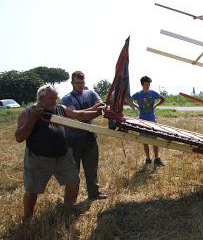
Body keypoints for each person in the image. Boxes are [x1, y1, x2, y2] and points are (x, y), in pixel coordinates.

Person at [15, 84, 104, 219]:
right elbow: (19, 137)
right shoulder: (28, 112)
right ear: (41, 98)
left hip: (63, 155)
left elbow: (78, 115)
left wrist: (98, 112)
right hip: (39, 158)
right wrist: (33, 118)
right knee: (32, 189)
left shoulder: (59, 109)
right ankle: (27, 218)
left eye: (55, 98)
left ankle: (68, 209)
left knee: (73, 181)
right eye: (51, 98)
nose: (54, 102)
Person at [61, 71, 107, 200]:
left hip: (89, 137)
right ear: (72, 83)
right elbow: (75, 116)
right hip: (73, 139)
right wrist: (93, 109)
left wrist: (82, 113)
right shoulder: (67, 99)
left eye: (82, 82)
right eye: (77, 82)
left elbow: (102, 106)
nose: (80, 85)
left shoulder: (91, 93)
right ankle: (71, 200)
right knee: (73, 171)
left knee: (92, 168)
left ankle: (94, 194)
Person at [126, 76, 166, 167]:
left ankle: (157, 159)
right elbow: (128, 101)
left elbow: (163, 99)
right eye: (146, 84)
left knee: (155, 140)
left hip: (152, 120)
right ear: (142, 85)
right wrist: (136, 106)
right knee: (145, 141)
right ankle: (148, 159)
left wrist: (155, 106)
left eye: (149, 84)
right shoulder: (138, 95)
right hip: (142, 121)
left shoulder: (153, 93)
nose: (148, 86)